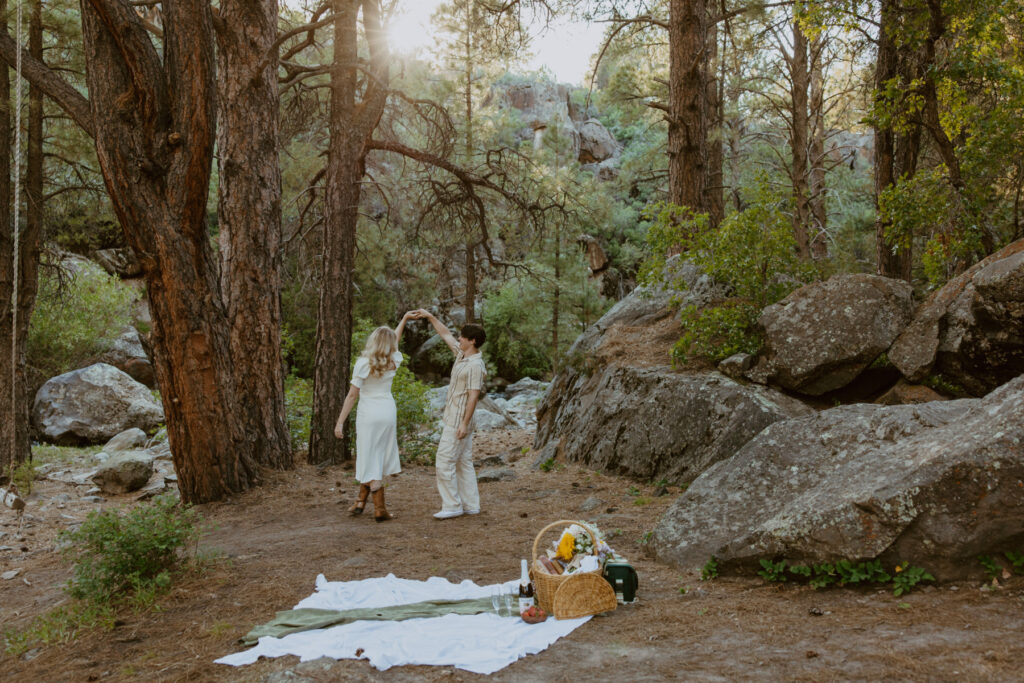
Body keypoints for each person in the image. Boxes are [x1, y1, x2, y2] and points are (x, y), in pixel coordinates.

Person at [334, 312, 415, 522]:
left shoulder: (363, 363)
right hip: (387, 411)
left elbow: (352, 395)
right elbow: (394, 341)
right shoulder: (394, 360)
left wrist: (340, 422)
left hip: (369, 412)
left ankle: (379, 508)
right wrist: (403, 320)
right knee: (376, 455)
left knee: (368, 454)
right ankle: (362, 503)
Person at [416, 309, 487, 520]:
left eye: (463, 337)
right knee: (463, 462)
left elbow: (474, 397)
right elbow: (445, 334)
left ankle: (452, 505)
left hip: (458, 420)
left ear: (472, 341)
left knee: (444, 461)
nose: (459, 339)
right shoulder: (461, 355)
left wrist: (464, 424)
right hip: (454, 417)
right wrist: (430, 317)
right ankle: (471, 504)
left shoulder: (475, 365)